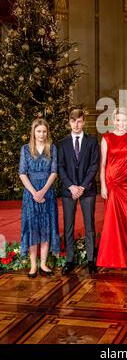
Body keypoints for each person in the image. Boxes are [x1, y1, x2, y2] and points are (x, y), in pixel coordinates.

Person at [96, 107, 127, 269]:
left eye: (124, 120)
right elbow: (103, 164)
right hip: (113, 184)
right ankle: (109, 259)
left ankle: (123, 257)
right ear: (113, 121)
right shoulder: (106, 138)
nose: (121, 123)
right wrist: (103, 185)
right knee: (111, 222)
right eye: (118, 120)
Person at [58, 108, 100, 275]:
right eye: (73, 121)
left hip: (87, 190)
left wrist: (82, 186)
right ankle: (69, 260)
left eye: (79, 121)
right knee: (69, 226)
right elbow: (60, 167)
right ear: (69, 122)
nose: (76, 124)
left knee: (89, 225)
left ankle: (91, 260)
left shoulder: (92, 142)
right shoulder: (63, 143)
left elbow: (94, 165)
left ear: (83, 122)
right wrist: (71, 186)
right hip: (69, 191)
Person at [19, 118, 60, 278]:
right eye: (38, 131)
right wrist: (34, 192)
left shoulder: (52, 148)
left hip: (47, 193)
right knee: (33, 228)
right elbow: (22, 173)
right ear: (33, 132)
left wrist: (42, 191)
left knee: (46, 226)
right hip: (30, 194)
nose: (41, 134)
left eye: (44, 131)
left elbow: (54, 172)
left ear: (47, 132)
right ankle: (33, 265)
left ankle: (43, 263)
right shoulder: (25, 149)